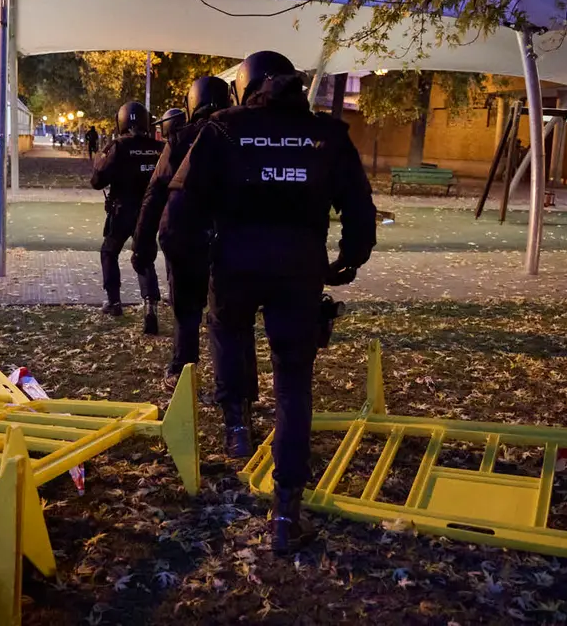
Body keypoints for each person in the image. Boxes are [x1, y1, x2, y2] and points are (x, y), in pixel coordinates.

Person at [165, 50, 377, 553]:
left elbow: (177, 214)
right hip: (299, 273)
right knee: (293, 386)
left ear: (244, 87)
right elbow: (360, 210)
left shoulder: (221, 129)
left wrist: (194, 265)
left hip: (233, 267)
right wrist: (348, 261)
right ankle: (286, 514)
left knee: (227, 335)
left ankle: (236, 427)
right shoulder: (327, 135)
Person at [133, 78, 259, 399]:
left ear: (192, 104)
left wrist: (142, 243)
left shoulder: (180, 140)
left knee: (187, 311)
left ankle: (182, 372)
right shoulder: (240, 136)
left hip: (185, 237)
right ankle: (242, 387)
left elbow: (155, 193)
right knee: (233, 316)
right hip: (231, 238)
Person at [91, 101, 162, 332]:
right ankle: (150, 304)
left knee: (109, 251)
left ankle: (114, 302)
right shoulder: (158, 147)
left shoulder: (118, 147)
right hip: (150, 212)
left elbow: (97, 181)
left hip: (123, 211)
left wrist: (100, 161)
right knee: (144, 256)